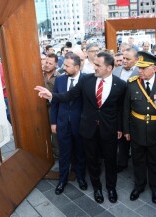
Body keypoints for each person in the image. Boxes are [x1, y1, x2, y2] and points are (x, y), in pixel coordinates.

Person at [35, 52, 126, 204]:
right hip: (89, 128)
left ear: (109, 68)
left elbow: (121, 109)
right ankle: (96, 187)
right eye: (94, 64)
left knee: (110, 160)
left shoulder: (121, 85)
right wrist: (51, 95)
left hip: (109, 129)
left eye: (98, 65)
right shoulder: (87, 80)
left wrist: (120, 128)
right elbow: (70, 95)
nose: (94, 67)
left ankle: (111, 188)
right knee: (92, 160)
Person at [123, 51, 156, 204]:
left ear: (153, 68)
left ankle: (155, 187)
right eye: (139, 67)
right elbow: (126, 109)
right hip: (136, 130)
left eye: (144, 68)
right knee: (138, 161)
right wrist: (126, 130)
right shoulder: (132, 83)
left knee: (155, 161)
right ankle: (139, 186)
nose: (140, 71)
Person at [50, 52, 87, 195]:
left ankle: (81, 178)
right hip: (62, 123)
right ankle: (62, 180)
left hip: (80, 125)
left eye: (67, 65)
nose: (63, 67)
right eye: (63, 64)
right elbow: (55, 102)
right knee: (64, 154)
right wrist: (53, 122)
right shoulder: (59, 80)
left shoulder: (86, 80)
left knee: (80, 153)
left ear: (77, 67)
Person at [112, 48, 139, 173]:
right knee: (121, 135)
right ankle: (122, 162)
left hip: (135, 109)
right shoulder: (116, 70)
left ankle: (137, 163)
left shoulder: (141, 72)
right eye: (123, 58)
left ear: (136, 60)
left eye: (128, 59)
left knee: (134, 136)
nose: (124, 61)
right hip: (118, 108)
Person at [43, 53, 60, 159]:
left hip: (53, 108)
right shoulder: (39, 74)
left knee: (55, 133)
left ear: (56, 65)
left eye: (50, 63)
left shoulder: (59, 77)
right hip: (40, 108)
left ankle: (57, 154)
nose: (47, 65)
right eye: (46, 62)